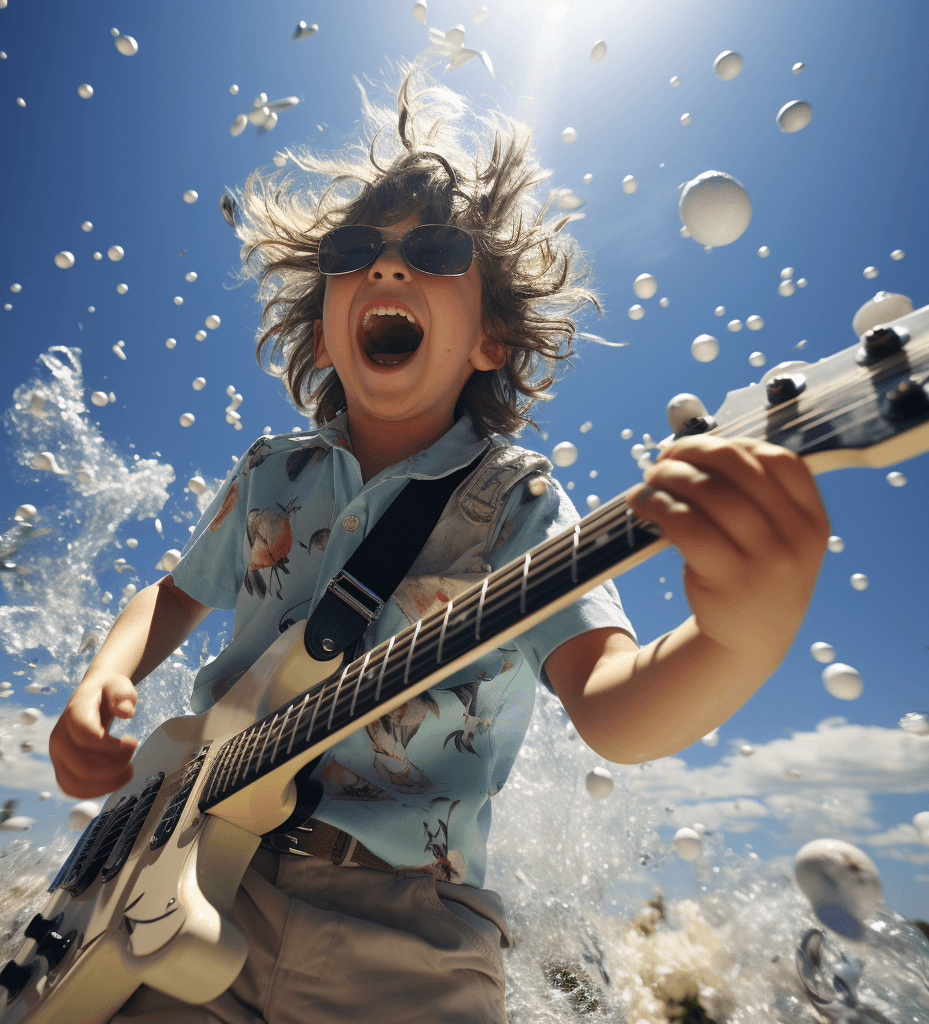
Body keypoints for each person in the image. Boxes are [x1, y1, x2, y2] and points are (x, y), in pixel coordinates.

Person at [49, 63, 829, 1024]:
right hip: (195, 879)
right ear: (326, 334)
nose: (387, 265)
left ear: (491, 341)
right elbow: (172, 596)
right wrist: (101, 677)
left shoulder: (519, 506)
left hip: (414, 930)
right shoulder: (271, 476)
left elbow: (614, 710)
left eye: (434, 249)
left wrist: (739, 637)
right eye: (355, 251)